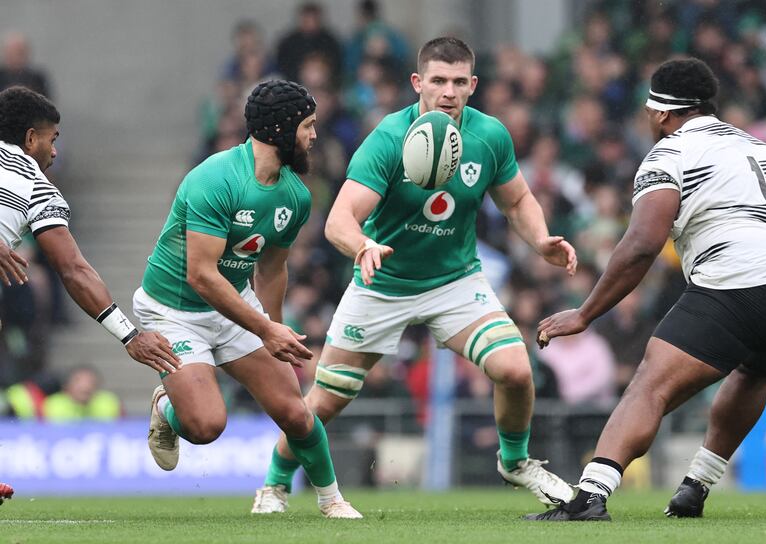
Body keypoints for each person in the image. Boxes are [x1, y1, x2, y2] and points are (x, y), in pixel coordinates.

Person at [252, 37, 578, 515]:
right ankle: (275, 485)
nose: (448, 91)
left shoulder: (490, 136)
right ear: (417, 83)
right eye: (438, 80)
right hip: (383, 284)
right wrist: (362, 245)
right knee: (324, 401)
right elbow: (339, 220)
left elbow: (517, 200)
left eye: (458, 82)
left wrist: (542, 239)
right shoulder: (388, 138)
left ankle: (515, 461)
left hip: (455, 282)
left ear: (473, 85)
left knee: (513, 369)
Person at [528, 58, 766, 522]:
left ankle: (590, 496)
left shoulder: (670, 152)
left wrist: (585, 313)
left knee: (650, 385)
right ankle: (695, 487)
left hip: (736, 282)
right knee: (755, 368)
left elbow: (641, 244)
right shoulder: (765, 149)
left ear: (659, 113)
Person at [135, 80, 361, 519]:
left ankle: (332, 499)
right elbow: (200, 275)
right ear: (281, 130)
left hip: (236, 306)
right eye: (308, 126)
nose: (314, 136)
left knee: (295, 413)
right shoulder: (213, 179)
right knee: (205, 427)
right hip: (173, 312)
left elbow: (272, 268)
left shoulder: (295, 195)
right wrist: (264, 329)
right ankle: (166, 406)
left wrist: (273, 329)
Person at [0, 86, 180, 374]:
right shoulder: (39, 190)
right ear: (31, 138)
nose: (55, 151)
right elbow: (74, 270)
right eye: (52, 139)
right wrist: (130, 335)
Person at [42, 366, 122, 421]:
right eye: (78, 381)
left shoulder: (109, 403)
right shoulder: (53, 404)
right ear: (66, 386)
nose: (85, 387)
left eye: (90, 382)